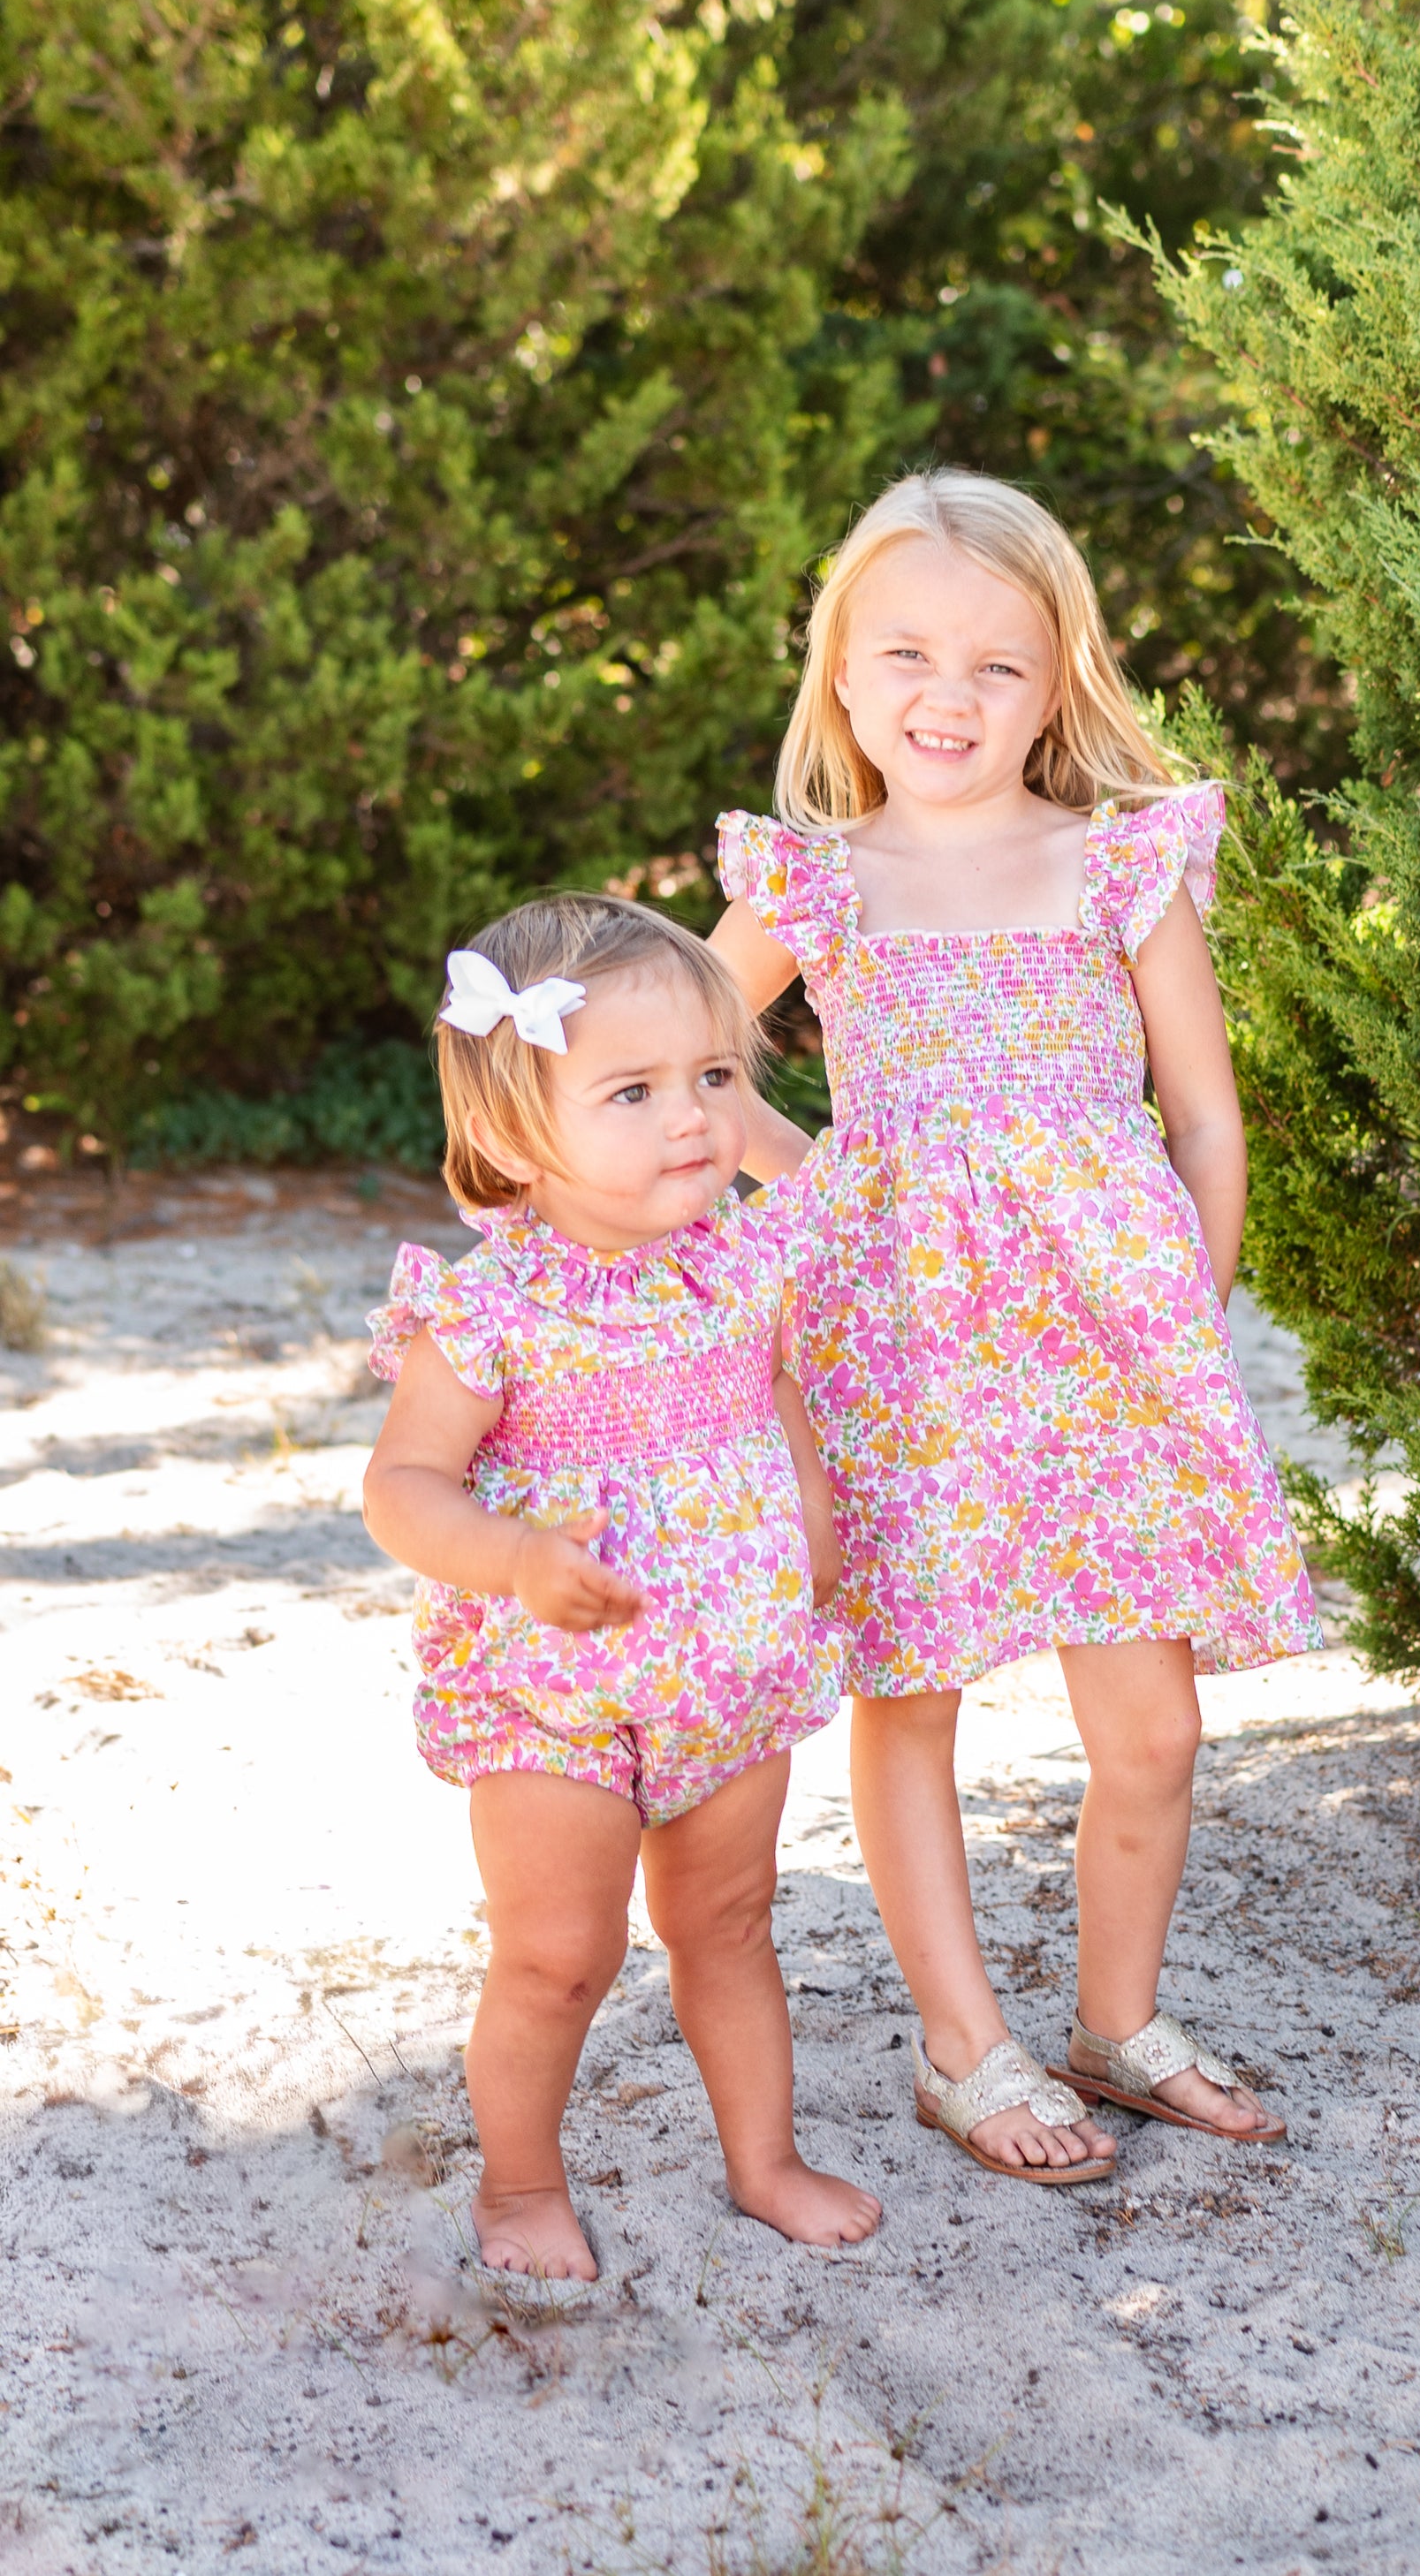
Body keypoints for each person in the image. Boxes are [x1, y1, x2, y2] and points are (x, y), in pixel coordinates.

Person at [709, 469, 1321, 2186]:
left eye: (995, 664)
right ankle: (961, 2046)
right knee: (911, 1694)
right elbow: (683, 1055)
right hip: (900, 1349)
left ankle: (1115, 2023)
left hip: (1109, 1355)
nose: (947, 696)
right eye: (905, 654)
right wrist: (825, 1180)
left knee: (1152, 1727)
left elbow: (1204, 1116)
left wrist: (1184, 1312)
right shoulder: (816, 882)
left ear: (1056, 683)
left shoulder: (1117, 862)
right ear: (841, 675)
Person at [361, 895, 882, 2278]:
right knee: (559, 1952)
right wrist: (518, 1559)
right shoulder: (486, 1308)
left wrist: (814, 1522)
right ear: (514, 1128)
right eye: (633, 1091)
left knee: (730, 1925)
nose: (692, 1118)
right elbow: (401, 1486)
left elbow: (776, 1396)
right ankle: (521, 2185)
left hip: (733, 1669)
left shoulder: (746, 1259)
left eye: (712, 1075)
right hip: (553, 1693)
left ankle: (763, 2160)